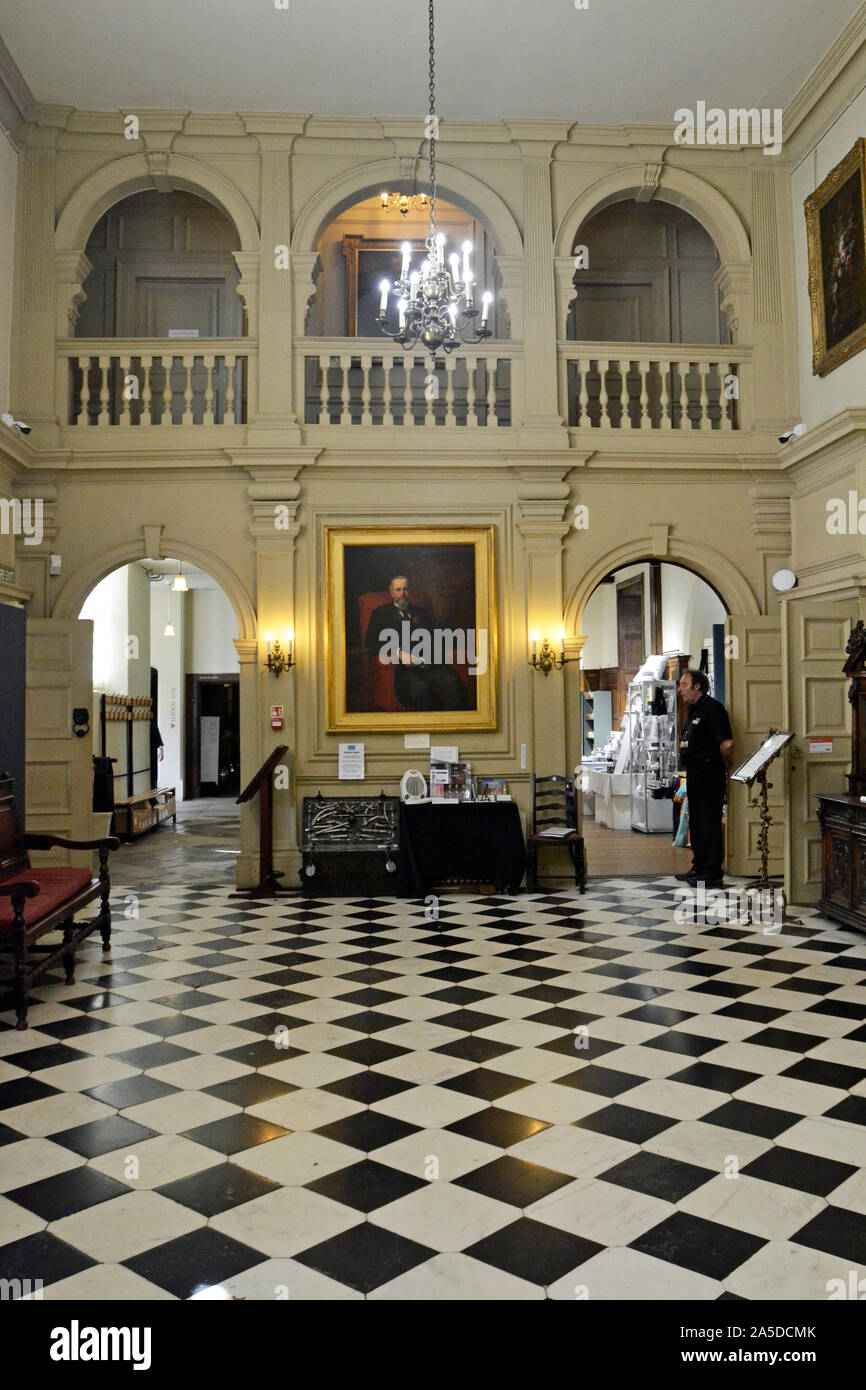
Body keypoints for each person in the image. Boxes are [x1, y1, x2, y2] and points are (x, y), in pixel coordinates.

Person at [364, 574, 466, 711]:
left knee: (452, 680)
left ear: (409, 591)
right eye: (398, 590)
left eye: (405, 589)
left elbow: (434, 638)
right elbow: (371, 642)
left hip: (428, 665)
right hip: (404, 671)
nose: (402, 593)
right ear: (391, 592)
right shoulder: (380, 614)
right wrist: (398, 653)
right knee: (422, 690)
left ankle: (453, 726)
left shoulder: (421, 612)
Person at [675, 668, 733, 887]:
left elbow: (726, 744)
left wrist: (726, 766)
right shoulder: (692, 710)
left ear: (697, 686)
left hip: (710, 771)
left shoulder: (713, 709)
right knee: (696, 821)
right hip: (694, 772)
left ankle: (711, 870)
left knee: (709, 821)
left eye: (684, 684)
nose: (680, 689)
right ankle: (698, 865)